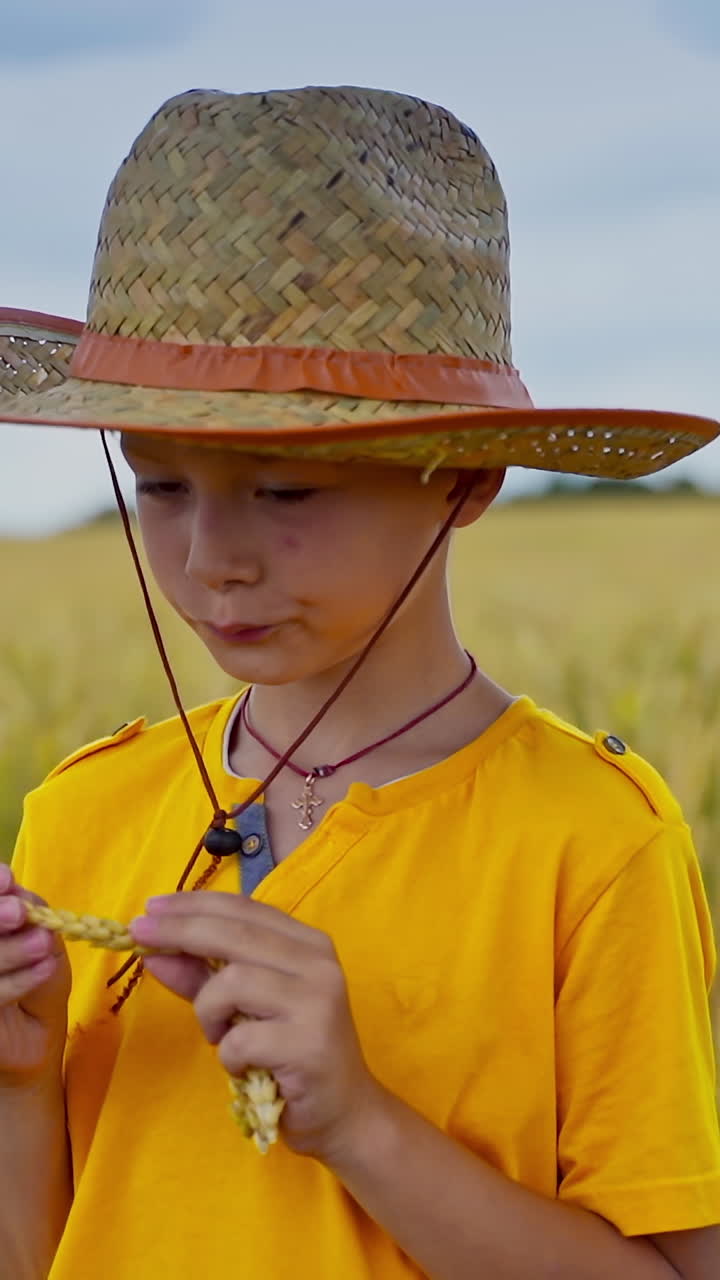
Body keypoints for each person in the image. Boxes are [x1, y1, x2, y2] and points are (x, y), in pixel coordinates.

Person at [0, 85, 719, 1280]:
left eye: (287, 492)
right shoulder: (82, 809)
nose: (208, 560)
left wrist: (361, 1124)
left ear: (465, 476)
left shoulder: (591, 843)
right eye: (161, 483)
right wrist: (20, 1078)